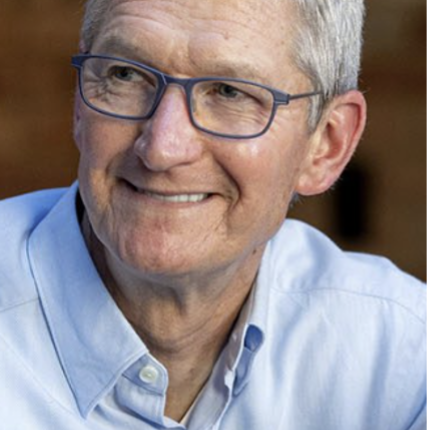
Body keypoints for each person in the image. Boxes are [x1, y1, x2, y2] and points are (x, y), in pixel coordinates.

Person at [0, 0, 427, 429]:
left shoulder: (402, 358)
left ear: (326, 145)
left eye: (229, 92)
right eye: (125, 74)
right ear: (80, 102)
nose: (162, 148)